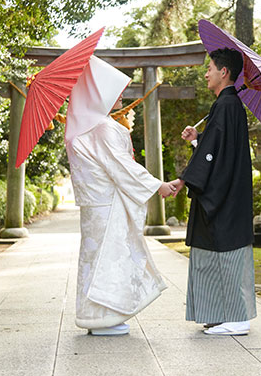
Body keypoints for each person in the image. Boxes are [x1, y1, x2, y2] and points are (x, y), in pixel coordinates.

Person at [65, 56, 177, 336]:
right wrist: (157, 186)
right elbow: (121, 167)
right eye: (114, 90)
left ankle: (96, 316)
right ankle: (106, 317)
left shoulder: (81, 126)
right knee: (110, 258)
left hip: (94, 206)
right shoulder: (102, 126)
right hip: (107, 205)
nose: (121, 96)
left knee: (96, 259)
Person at [170, 48, 256, 336]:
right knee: (215, 254)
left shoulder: (227, 106)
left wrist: (184, 180)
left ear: (224, 72)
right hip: (228, 193)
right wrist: (199, 141)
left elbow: (216, 155)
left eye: (210, 68)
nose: (206, 73)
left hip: (224, 197)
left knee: (226, 253)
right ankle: (221, 314)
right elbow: (218, 150)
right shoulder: (228, 106)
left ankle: (237, 318)